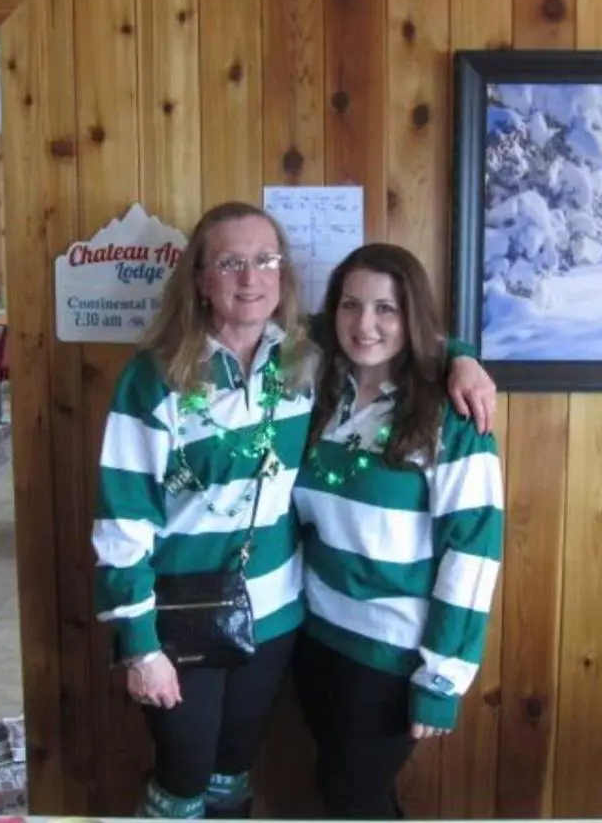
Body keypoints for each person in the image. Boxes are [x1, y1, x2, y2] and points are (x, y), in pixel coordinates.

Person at [91, 202, 496, 820]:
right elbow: (122, 517)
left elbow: (391, 328)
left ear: (281, 275)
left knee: (235, 775)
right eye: (229, 262)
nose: (249, 278)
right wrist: (138, 645)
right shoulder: (161, 377)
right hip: (184, 617)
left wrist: (460, 356)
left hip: (281, 620)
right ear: (199, 277)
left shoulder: (302, 361)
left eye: (264, 261)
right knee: (184, 778)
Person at [290, 242, 505, 819]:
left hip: (391, 655)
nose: (365, 324)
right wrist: (456, 349)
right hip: (313, 639)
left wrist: (442, 679)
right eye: (351, 305)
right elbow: (276, 322)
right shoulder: (318, 390)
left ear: (413, 317)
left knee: (347, 796)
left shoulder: (452, 413)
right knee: (354, 797)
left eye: (387, 309)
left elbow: (474, 552)